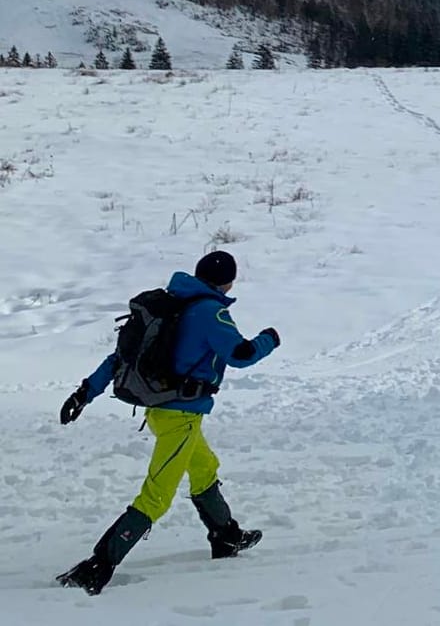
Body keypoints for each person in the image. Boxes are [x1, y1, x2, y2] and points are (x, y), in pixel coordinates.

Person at [55, 251, 280, 595]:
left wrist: (85, 392)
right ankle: (99, 564)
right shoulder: (210, 311)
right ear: (227, 281)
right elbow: (241, 355)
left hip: (160, 410)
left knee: (204, 468)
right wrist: (270, 339)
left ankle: (226, 536)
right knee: (157, 495)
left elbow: (119, 358)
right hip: (181, 416)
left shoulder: (170, 303)